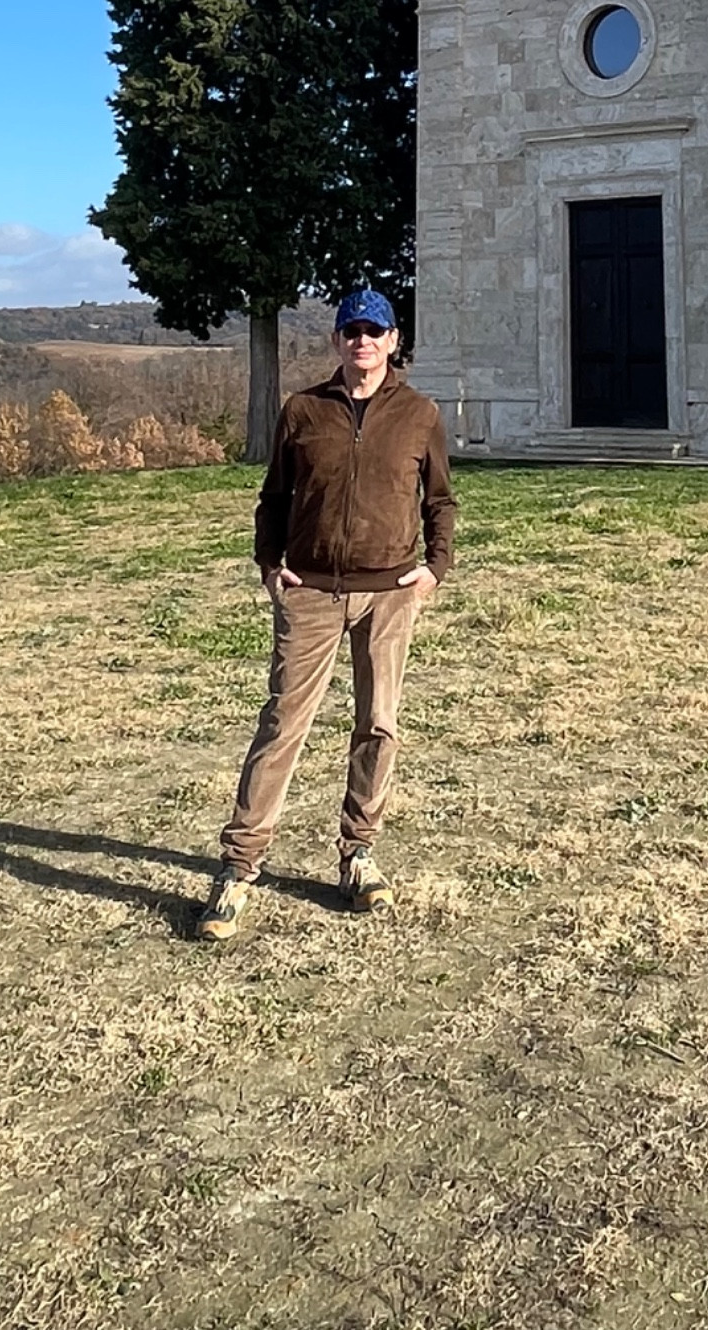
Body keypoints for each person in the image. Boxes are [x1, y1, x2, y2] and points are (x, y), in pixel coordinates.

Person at [193, 288, 455, 940]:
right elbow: (273, 496)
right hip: (309, 589)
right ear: (337, 342)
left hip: (389, 592)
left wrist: (435, 566)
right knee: (283, 724)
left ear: (394, 341)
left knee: (378, 723)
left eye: (375, 330)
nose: (362, 340)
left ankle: (358, 854)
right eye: (351, 330)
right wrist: (268, 560)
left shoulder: (419, 414)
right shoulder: (303, 410)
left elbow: (440, 501)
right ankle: (239, 868)